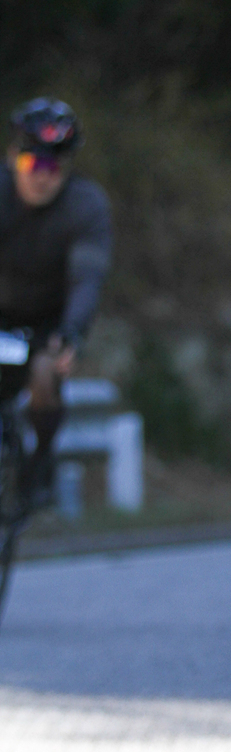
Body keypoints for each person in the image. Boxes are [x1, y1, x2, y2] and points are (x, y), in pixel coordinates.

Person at [0, 99, 113, 506]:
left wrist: (71, 332)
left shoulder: (85, 206)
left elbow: (86, 279)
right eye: (33, 164)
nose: (42, 177)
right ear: (13, 158)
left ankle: (39, 466)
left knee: (46, 374)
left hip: (46, 321)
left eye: (54, 167)